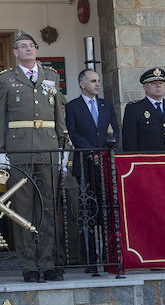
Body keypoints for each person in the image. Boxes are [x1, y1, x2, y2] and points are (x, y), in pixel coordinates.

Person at [0, 31, 67, 283]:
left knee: (48, 207)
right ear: (15, 52)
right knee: (22, 209)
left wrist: (63, 145)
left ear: (36, 49)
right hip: (19, 149)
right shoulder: (6, 78)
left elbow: (58, 113)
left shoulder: (51, 76)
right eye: (22, 46)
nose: (28, 49)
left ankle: (48, 262)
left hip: (48, 147)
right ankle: (29, 265)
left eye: (31, 46)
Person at [64, 69, 119, 273]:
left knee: (106, 210)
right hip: (85, 164)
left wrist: (105, 151)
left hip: (105, 164)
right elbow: (73, 133)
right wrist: (91, 152)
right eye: (93, 81)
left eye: (98, 81)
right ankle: (90, 259)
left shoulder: (107, 105)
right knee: (88, 212)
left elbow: (115, 130)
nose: (97, 84)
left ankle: (108, 256)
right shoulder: (73, 106)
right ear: (82, 84)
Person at [121, 67, 165, 152]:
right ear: (145, 87)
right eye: (153, 83)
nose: (158, 86)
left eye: (161, 83)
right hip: (149, 159)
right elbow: (130, 143)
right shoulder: (134, 109)